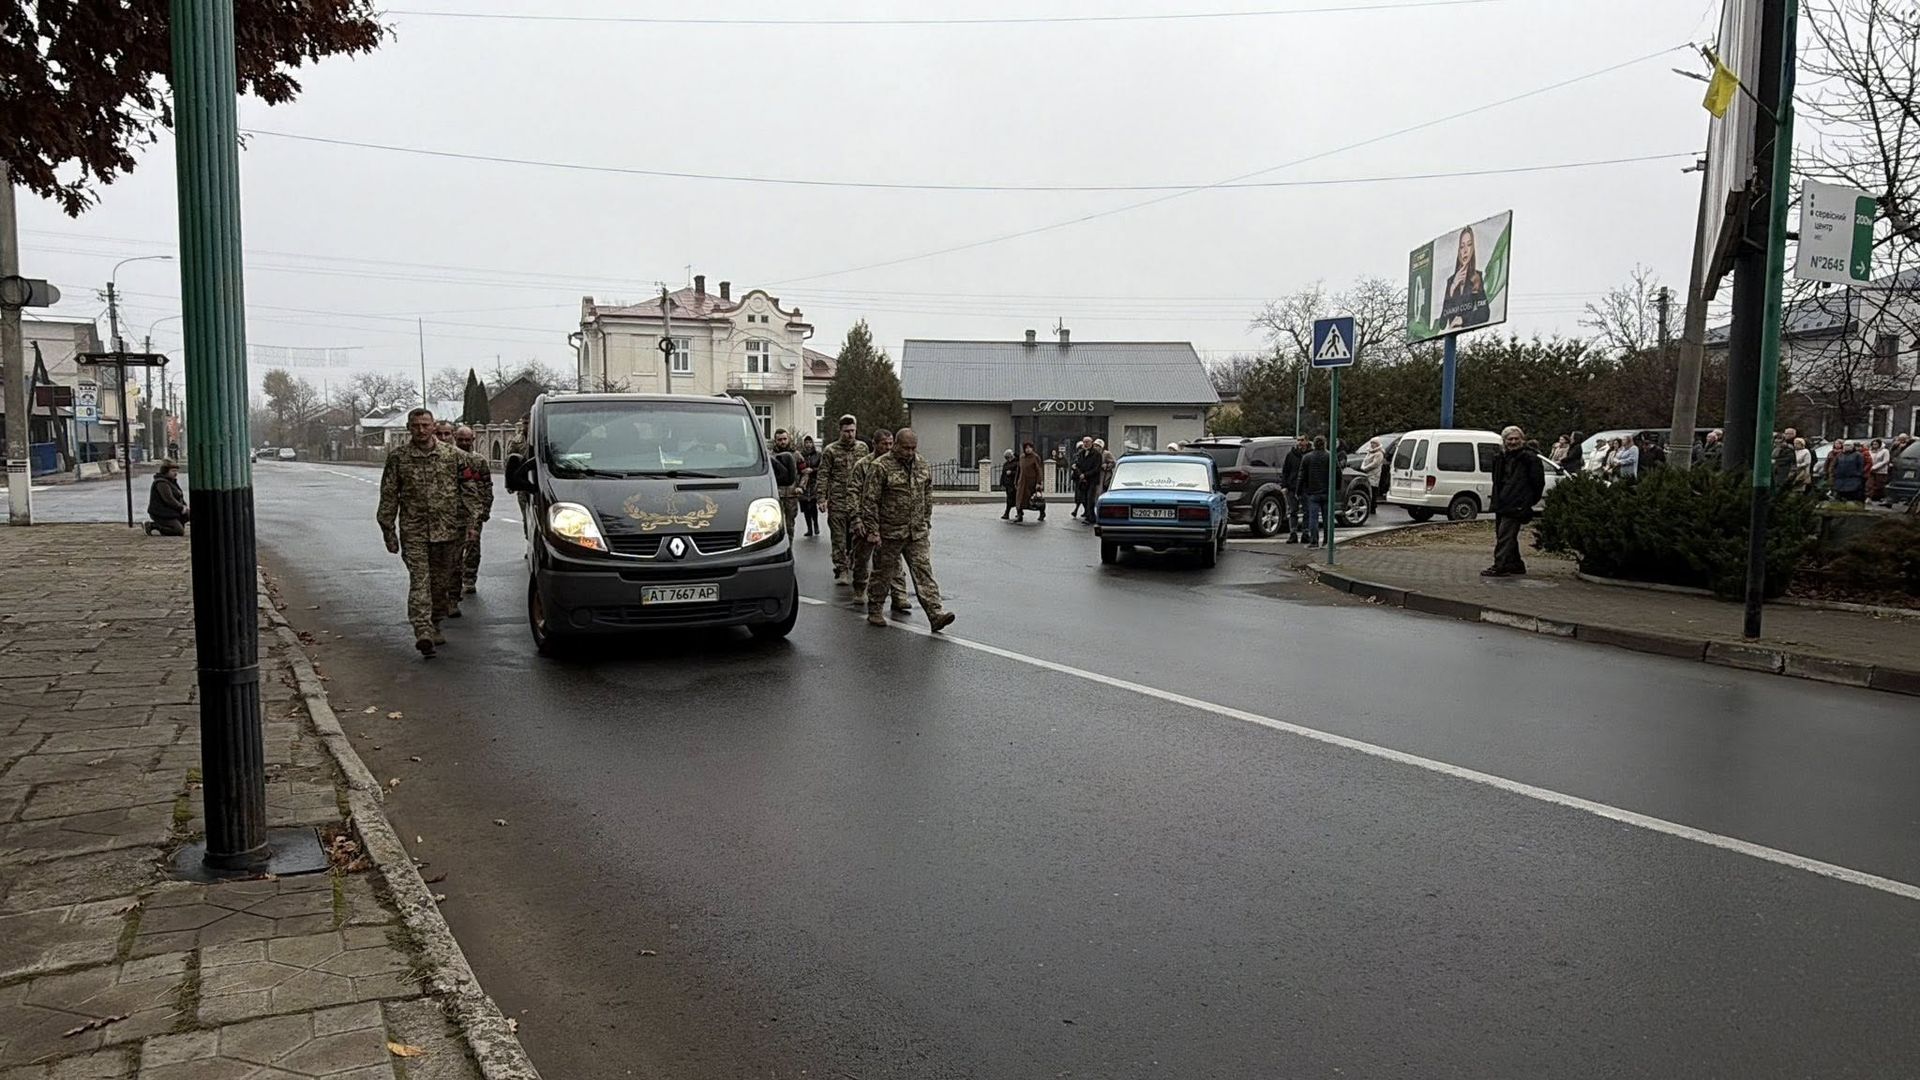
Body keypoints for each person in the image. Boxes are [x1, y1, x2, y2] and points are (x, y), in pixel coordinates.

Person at [376, 408, 462, 658]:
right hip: (414, 532)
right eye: (416, 426)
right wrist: (388, 530)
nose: (421, 430)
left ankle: (435, 623)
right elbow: (389, 495)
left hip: (446, 531)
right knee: (420, 580)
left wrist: (471, 524)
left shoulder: (452, 456)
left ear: (433, 426)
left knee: (440, 582)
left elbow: (470, 487)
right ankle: (422, 630)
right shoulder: (398, 458)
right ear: (409, 428)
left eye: (425, 425)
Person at [861, 428, 955, 632]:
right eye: (906, 448)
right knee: (883, 572)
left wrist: (926, 520)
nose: (910, 452)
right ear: (896, 445)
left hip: (916, 531)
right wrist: (873, 530)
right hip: (890, 531)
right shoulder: (881, 466)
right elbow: (870, 500)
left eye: (913, 448)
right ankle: (875, 608)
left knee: (923, 571)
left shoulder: (922, 464)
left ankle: (935, 613)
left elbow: (927, 494)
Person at [849, 430, 910, 614]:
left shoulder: (895, 464)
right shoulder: (863, 465)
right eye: (884, 444)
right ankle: (860, 587)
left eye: (891, 444)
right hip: (867, 518)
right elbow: (853, 492)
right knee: (862, 557)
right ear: (874, 444)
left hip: (888, 520)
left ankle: (899, 595)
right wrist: (856, 519)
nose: (888, 447)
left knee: (893, 559)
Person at [1485, 425, 1546, 577]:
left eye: (1516, 439)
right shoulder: (1500, 458)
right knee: (1505, 535)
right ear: (1504, 441)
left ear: (1522, 440)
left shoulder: (1530, 459)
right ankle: (1515, 564)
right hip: (1502, 501)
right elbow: (1497, 481)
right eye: (1510, 439)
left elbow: (1538, 482)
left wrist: (1528, 500)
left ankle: (1500, 566)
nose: (1513, 442)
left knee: (1505, 536)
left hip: (1517, 503)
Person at [818, 415, 869, 586]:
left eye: (853, 431)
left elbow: (868, 473)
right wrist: (822, 498)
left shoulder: (862, 448)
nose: (850, 434)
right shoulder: (831, 450)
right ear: (840, 431)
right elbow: (823, 474)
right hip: (838, 501)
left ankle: (854, 561)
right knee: (838, 538)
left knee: (857, 536)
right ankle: (841, 569)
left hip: (857, 502)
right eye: (846, 431)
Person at [451, 426, 493, 598]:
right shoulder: (449, 458)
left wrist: (485, 509)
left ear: (473, 440)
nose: (464, 443)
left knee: (473, 547)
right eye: (460, 439)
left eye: (467, 440)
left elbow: (487, 486)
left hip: (473, 512)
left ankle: (469, 579)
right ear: (455, 438)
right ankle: (453, 582)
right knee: (453, 550)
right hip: (452, 512)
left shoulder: (479, 461)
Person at [1439, 227, 1491, 330]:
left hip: (1468, 335)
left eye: (1469, 245)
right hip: (1450, 331)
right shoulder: (1451, 281)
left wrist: (1463, 319)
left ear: (1473, 249)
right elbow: (1442, 323)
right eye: (1462, 246)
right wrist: (1452, 288)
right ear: (1459, 250)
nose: (1465, 251)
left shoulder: (1477, 277)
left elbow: (1484, 314)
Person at [1299, 436, 1332, 547]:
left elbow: (1301, 476)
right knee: (1327, 518)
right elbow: (1337, 472)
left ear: (1314, 444)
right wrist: (1335, 488)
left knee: (1313, 518)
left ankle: (1314, 541)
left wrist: (1299, 490)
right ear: (1325, 444)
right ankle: (1327, 541)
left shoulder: (1307, 457)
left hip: (1312, 492)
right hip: (1327, 491)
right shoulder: (1330, 456)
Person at [143, 459, 190, 536]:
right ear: (166, 471)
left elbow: (179, 496)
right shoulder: (161, 483)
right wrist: (181, 508)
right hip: (162, 513)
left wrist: (185, 507)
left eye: (176, 471)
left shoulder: (172, 482)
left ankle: (176, 524)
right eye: (173, 471)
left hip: (172, 511)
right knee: (178, 531)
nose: (176, 473)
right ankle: (152, 526)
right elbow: (169, 499)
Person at [770, 429, 802, 536]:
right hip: (776, 495)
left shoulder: (796, 455)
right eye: (779, 440)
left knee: (789, 525)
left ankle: (790, 544)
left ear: (789, 439)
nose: (782, 442)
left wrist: (801, 486)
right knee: (775, 525)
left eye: (784, 439)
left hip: (791, 495)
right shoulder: (770, 456)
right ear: (775, 441)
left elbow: (804, 472)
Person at [1281, 436, 1309, 543]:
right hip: (1292, 487)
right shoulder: (1291, 455)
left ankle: (1305, 533)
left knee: (1307, 511)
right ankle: (1293, 533)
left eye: (1302, 440)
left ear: (1307, 441)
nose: (1300, 442)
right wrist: (1284, 485)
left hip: (1306, 487)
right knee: (1293, 511)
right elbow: (1285, 471)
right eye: (1298, 440)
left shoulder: (1310, 454)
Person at [1072, 437, 1103, 521]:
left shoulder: (1097, 454)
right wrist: (1078, 471)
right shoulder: (1081, 453)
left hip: (1092, 480)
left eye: (1087, 442)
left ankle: (1091, 517)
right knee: (1084, 498)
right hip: (1082, 480)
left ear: (1091, 443)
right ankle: (1088, 515)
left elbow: (1096, 468)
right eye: (1084, 442)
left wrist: (1085, 475)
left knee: (1090, 499)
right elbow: (1078, 464)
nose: (1086, 444)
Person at [1014, 442, 1046, 524]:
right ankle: (1019, 515)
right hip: (1022, 482)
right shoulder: (1022, 457)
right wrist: (1016, 481)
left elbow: (1039, 470)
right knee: (1019, 499)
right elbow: (1019, 470)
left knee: (1035, 500)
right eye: (1026, 448)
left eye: (1029, 447)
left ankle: (1042, 512)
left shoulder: (1035, 457)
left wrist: (1039, 482)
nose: (1028, 449)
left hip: (1032, 483)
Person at [798, 435, 822, 537]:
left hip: (813, 483)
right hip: (803, 484)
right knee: (805, 507)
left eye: (810, 442)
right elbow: (797, 468)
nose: (808, 445)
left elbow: (821, 468)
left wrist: (813, 470)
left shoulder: (818, 455)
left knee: (812, 505)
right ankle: (809, 528)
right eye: (806, 443)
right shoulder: (800, 455)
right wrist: (802, 471)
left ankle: (815, 524)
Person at [1869, 438, 1893, 502]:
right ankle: (1872, 496)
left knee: (1880, 485)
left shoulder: (1885, 451)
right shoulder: (1871, 451)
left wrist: (1875, 467)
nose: (1874, 446)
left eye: (1876, 444)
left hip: (1881, 471)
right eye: (1873, 444)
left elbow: (1886, 460)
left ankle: (1880, 497)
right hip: (1871, 470)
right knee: (1871, 484)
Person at [999, 449, 1019, 519]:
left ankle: (1016, 513)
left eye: (1009, 457)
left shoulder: (1017, 463)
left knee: (1015, 499)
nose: (1008, 459)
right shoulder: (1006, 464)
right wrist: (1001, 483)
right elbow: (1003, 474)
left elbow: (1019, 473)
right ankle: (1008, 513)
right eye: (1007, 458)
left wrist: (1011, 472)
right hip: (1008, 484)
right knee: (1009, 499)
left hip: (1014, 484)